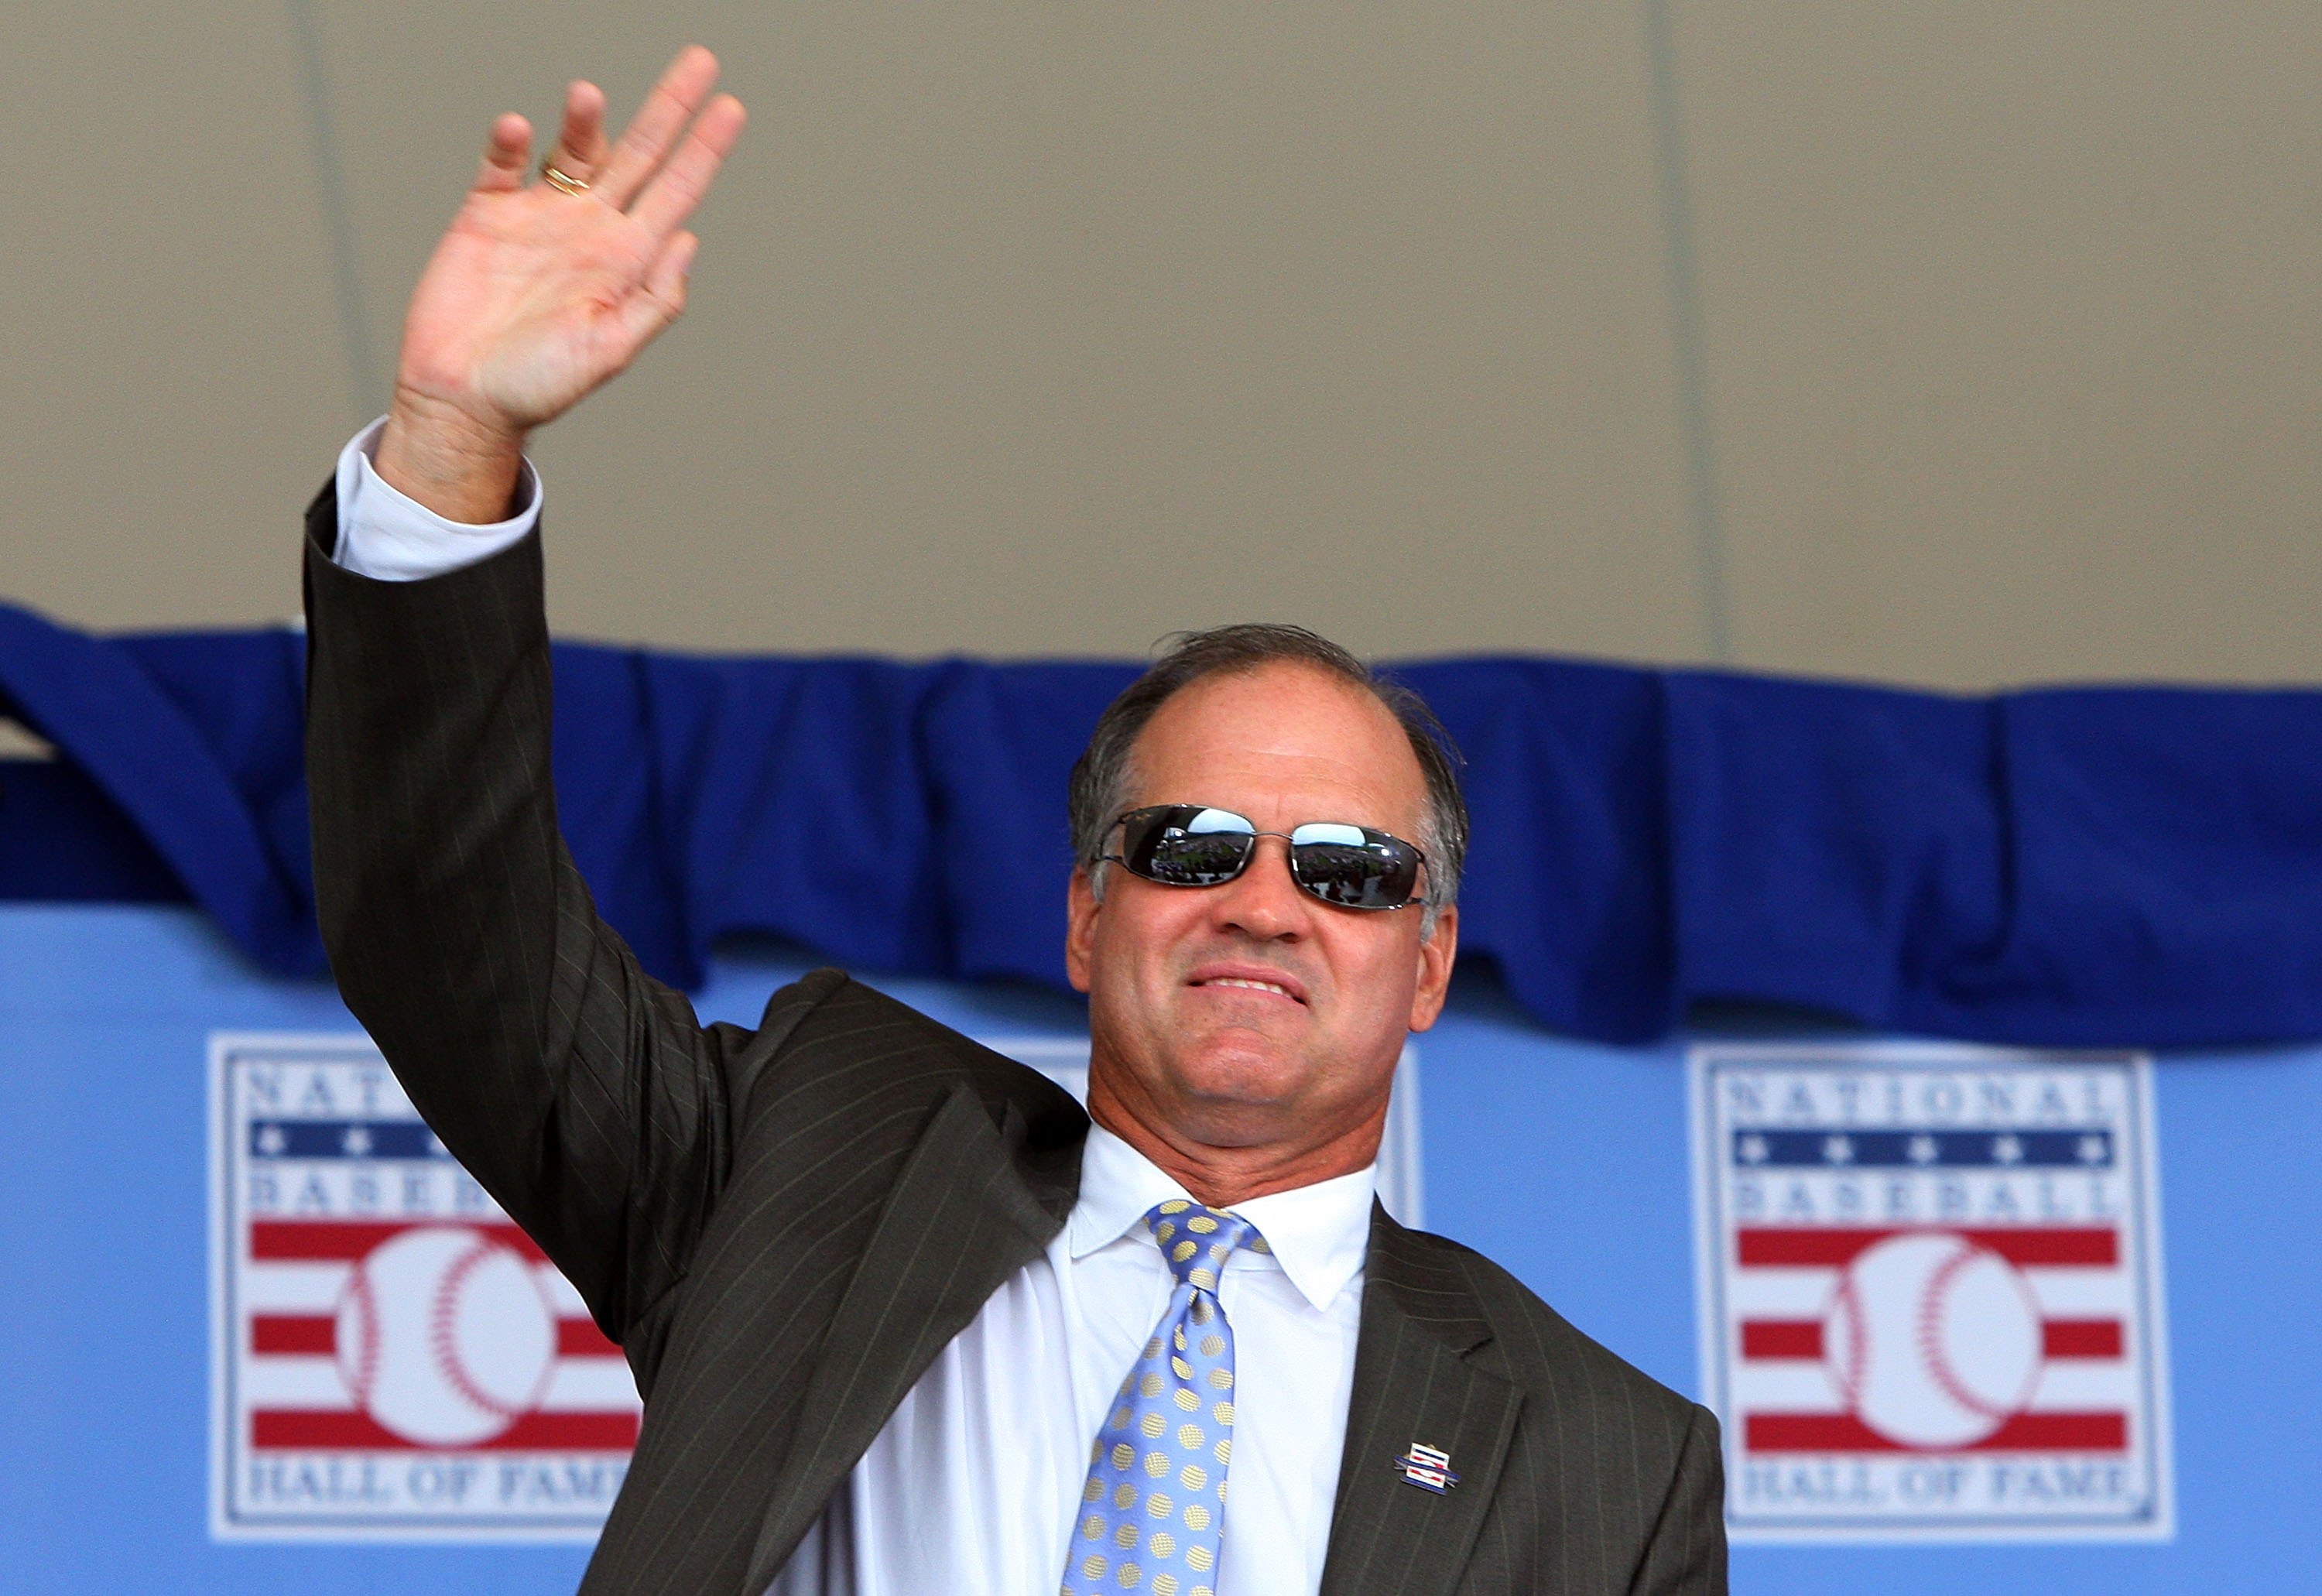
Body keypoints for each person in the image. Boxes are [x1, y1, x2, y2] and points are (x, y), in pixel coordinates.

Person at [301, 46, 1725, 1596]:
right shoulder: (813, 1167)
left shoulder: (1608, 1458)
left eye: (1347, 868)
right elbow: (459, 943)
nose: (1263, 900)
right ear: (1086, 911)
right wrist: (451, 447)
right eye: (1192, 845)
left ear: (1431, 959)